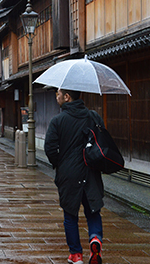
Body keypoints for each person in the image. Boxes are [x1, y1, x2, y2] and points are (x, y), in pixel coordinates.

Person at [45, 89, 104, 264]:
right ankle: (95, 240)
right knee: (93, 211)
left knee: (70, 214)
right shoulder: (93, 117)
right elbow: (103, 141)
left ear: (67, 97)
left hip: (68, 173)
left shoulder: (58, 120)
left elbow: (49, 148)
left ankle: (76, 254)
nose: (56, 97)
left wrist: (60, 163)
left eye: (58, 94)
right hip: (91, 171)